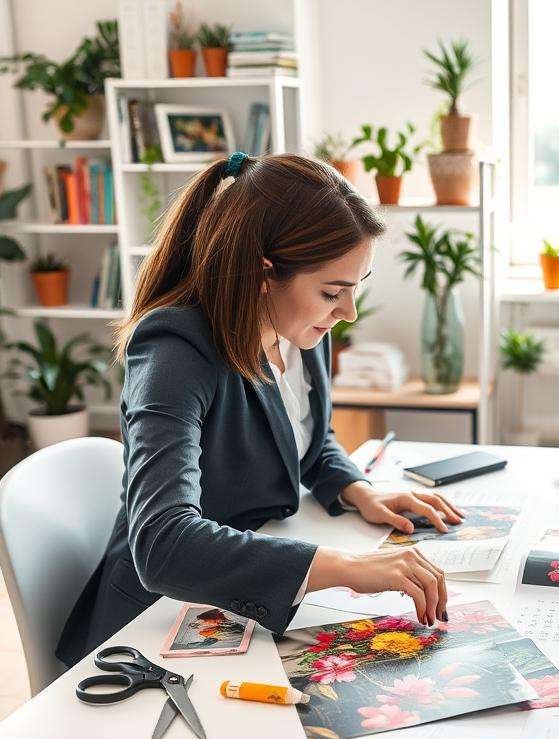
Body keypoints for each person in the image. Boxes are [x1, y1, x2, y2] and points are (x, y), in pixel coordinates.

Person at [56, 153, 460, 666]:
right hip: (158, 622)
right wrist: (341, 566)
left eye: (355, 288)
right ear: (262, 272)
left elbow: (304, 439)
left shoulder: (301, 327)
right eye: (332, 291)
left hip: (249, 591)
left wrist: (356, 489)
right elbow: (164, 544)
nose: (348, 311)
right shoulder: (173, 349)